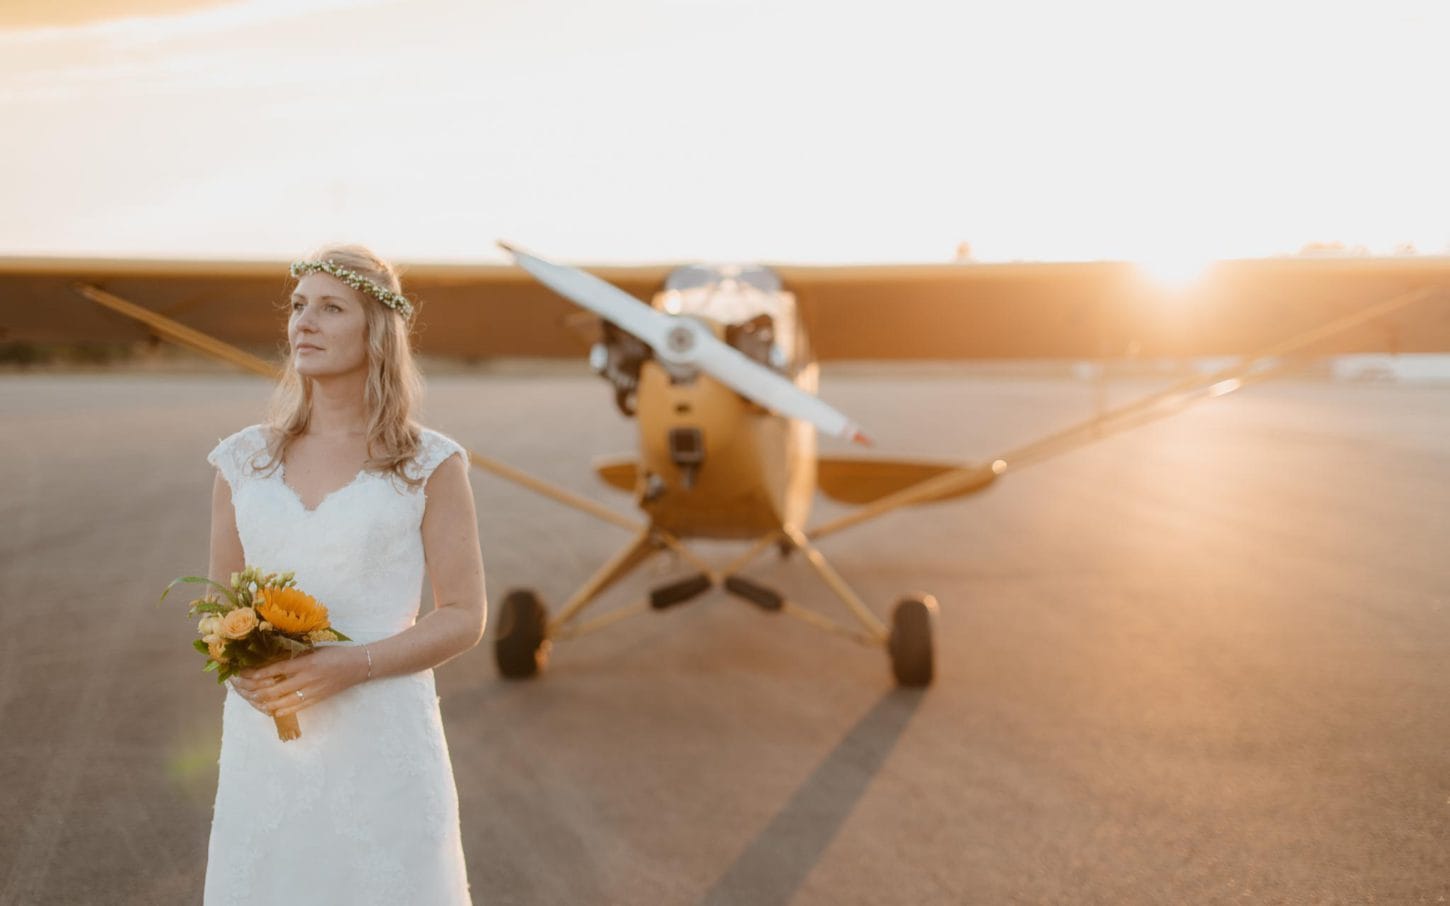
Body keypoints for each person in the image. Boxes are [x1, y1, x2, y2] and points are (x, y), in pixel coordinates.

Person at [202, 245, 486, 905]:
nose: (304, 322)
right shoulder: (243, 461)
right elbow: (218, 605)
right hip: (266, 747)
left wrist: (349, 665)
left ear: (377, 332)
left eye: (331, 308)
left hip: (383, 741)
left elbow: (464, 615)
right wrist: (241, 666)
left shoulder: (429, 464)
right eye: (299, 306)